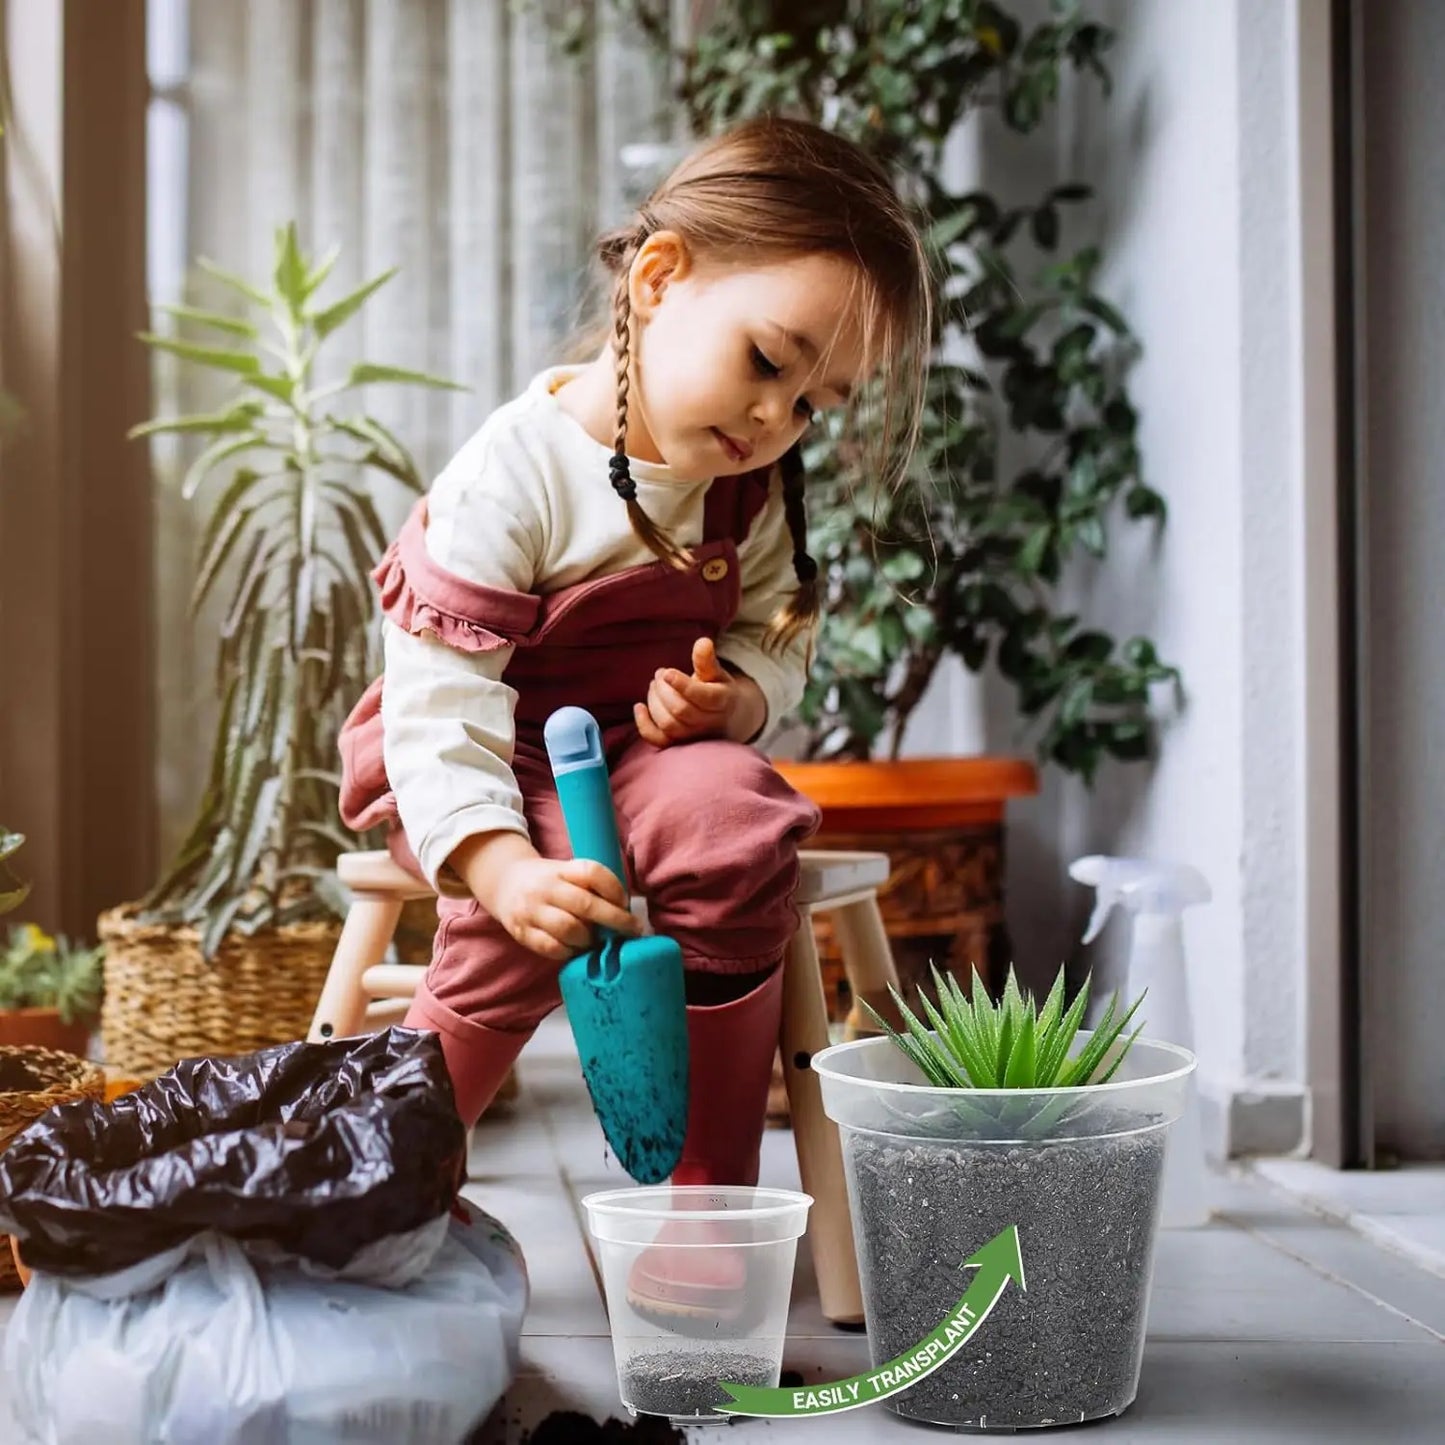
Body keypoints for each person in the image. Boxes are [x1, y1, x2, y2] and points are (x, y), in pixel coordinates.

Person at [338, 113, 931, 1321]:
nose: (775, 419)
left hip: (642, 760)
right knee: (534, 916)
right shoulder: (513, 474)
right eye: (767, 362)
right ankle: (384, 1188)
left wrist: (737, 693)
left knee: (735, 818)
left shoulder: (744, 488)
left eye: (814, 404)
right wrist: (498, 865)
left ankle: (708, 1207)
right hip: (486, 763)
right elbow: (440, 701)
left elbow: (775, 631)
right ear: (659, 279)